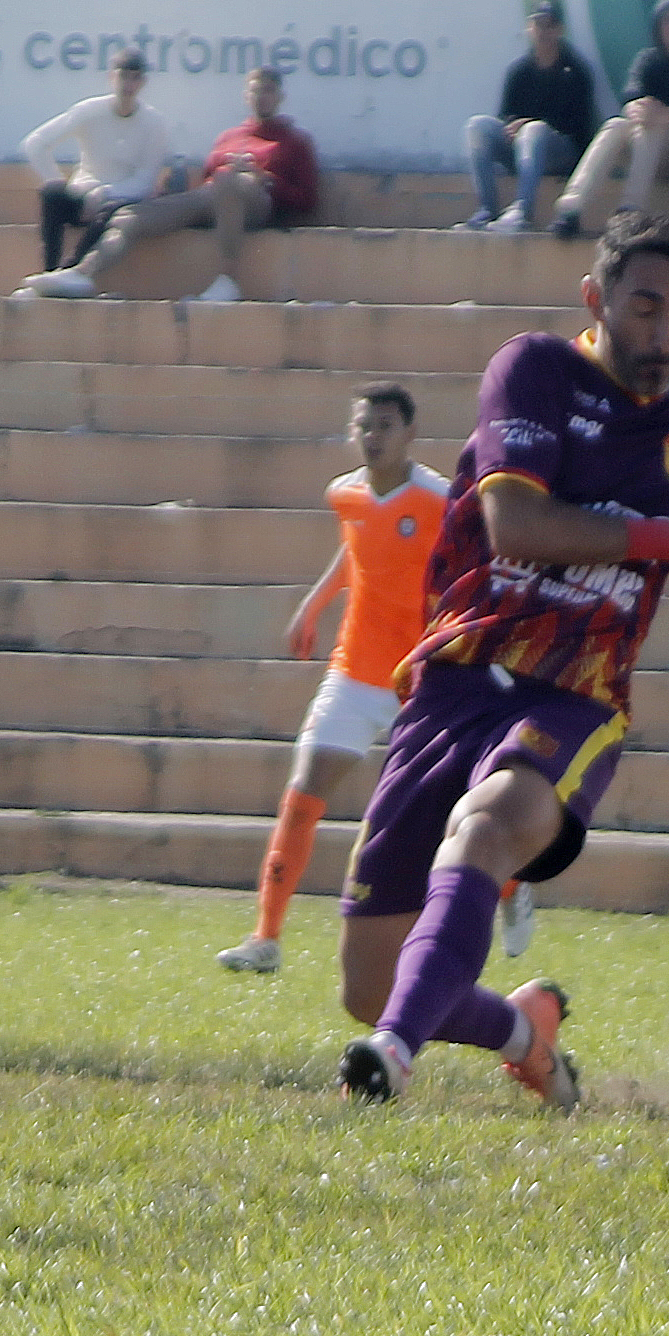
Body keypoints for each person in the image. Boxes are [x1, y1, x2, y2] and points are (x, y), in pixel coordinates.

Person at [334, 212, 669, 1107]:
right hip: (455, 679)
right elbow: (517, 524)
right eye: (646, 307)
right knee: (367, 983)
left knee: (490, 827)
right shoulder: (534, 371)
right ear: (595, 299)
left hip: (576, 696)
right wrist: (667, 536)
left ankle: (391, 1060)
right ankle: (525, 1032)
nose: (666, 334)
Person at [215, 384, 450, 974]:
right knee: (304, 790)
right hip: (353, 671)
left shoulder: (439, 500)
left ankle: (491, 901)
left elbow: (465, 568)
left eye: (385, 426)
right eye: (363, 426)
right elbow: (355, 553)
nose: (372, 436)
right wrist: (314, 606)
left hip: (417, 683)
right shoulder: (344, 493)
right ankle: (265, 938)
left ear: (410, 434)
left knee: (431, 817)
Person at [19, 66, 315, 302]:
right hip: (214, 196)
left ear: (279, 97)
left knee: (228, 180)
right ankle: (82, 272)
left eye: (268, 91)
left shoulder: (294, 141)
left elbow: (307, 199)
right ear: (245, 96)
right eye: (255, 90)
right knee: (129, 216)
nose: (261, 96)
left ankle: (227, 281)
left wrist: (266, 179)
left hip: (258, 200)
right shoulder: (229, 137)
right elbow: (208, 178)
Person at [552, 0, 669, 241]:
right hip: (644, 144)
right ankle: (571, 208)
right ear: (658, 25)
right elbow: (631, 97)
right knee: (615, 125)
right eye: (668, 20)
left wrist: (668, 115)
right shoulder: (648, 59)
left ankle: (629, 211)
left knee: (650, 128)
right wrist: (640, 109)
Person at [20, 50, 170, 272]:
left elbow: (145, 180)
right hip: (83, 196)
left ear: (143, 83)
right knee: (51, 194)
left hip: (123, 202)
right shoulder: (89, 110)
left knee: (112, 211)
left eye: (135, 77)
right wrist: (61, 183)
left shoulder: (155, 123)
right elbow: (36, 143)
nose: (128, 84)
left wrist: (106, 193)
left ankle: (72, 270)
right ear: (111, 77)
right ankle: (50, 270)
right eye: (123, 76)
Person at [456, 0, 597, 232]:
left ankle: (522, 212)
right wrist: (514, 125)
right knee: (477, 126)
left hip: (561, 155)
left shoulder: (576, 71)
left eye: (550, 24)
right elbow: (506, 115)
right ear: (529, 28)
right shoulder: (519, 70)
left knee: (534, 130)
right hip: (522, 152)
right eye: (538, 24)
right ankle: (487, 210)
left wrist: (533, 124)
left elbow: (579, 128)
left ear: (560, 29)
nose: (544, 31)